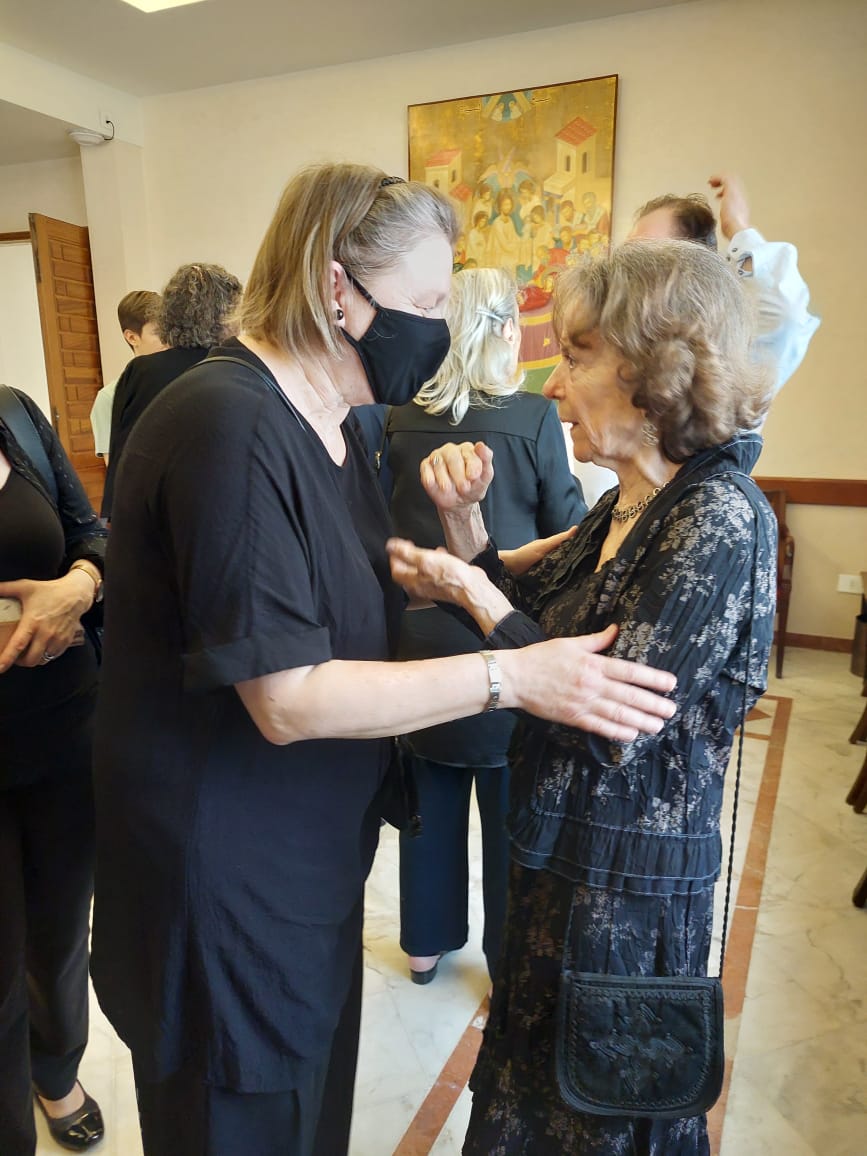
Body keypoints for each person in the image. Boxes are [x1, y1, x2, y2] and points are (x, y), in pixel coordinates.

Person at [89, 162, 677, 1156]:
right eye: (427, 304)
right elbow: (287, 697)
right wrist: (513, 676)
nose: (438, 330)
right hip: (224, 884)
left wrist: (472, 561)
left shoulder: (335, 423)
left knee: (308, 1117)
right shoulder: (228, 424)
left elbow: (336, 588)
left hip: (308, 865)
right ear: (336, 288)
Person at [385, 239, 777, 1155]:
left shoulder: (717, 517)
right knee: (530, 1101)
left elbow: (609, 719)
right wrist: (466, 529)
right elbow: (534, 620)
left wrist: (475, 597)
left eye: (576, 355)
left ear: (657, 370)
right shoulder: (629, 502)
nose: (554, 386)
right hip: (561, 857)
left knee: (593, 1115)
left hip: (625, 894)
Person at [385, 267, 587, 985]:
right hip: (504, 633)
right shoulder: (532, 417)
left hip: (418, 639)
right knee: (509, 809)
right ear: (505, 329)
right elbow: (568, 530)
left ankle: (423, 944)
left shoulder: (396, 416)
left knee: (428, 797)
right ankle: (507, 957)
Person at [0, 390, 107, 1155]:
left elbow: (89, 533)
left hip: (65, 730)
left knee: (63, 928)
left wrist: (80, 584)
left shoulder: (15, 416)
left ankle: (56, 1068)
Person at [630, 172, 819, 394]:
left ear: (697, 272)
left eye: (647, 253)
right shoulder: (616, 335)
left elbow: (785, 314)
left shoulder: (723, 351)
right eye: (629, 252)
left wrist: (736, 226)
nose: (628, 266)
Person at [101, 262, 242, 518]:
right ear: (225, 316)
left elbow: (124, 458)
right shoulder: (238, 367)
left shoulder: (142, 371)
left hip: (155, 512)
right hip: (224, 510)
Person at [89, 290, 166, 464]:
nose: (168, 340)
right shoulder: (110, 398)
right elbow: (116, 469)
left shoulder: (186, 382)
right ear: (132, 337)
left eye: (170, 331)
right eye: (158, 332)